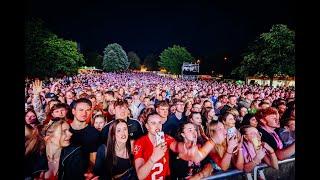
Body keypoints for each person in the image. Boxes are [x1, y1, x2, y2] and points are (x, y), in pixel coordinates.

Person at [133, 113, 215, 180]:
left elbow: (176, 146)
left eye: (159, 122)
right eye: (153, 123)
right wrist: (152, 160)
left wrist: (186, 147)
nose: (157, 126)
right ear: (147, 126)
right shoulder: (140, 143)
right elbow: (140, 176)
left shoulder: (166, 137)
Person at [69, 98, 102, 172]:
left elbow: (93, 159)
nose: (84, 113)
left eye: (87, 110)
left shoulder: (94, 133)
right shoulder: (65, 130)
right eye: (81, 110)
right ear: (73, 111)